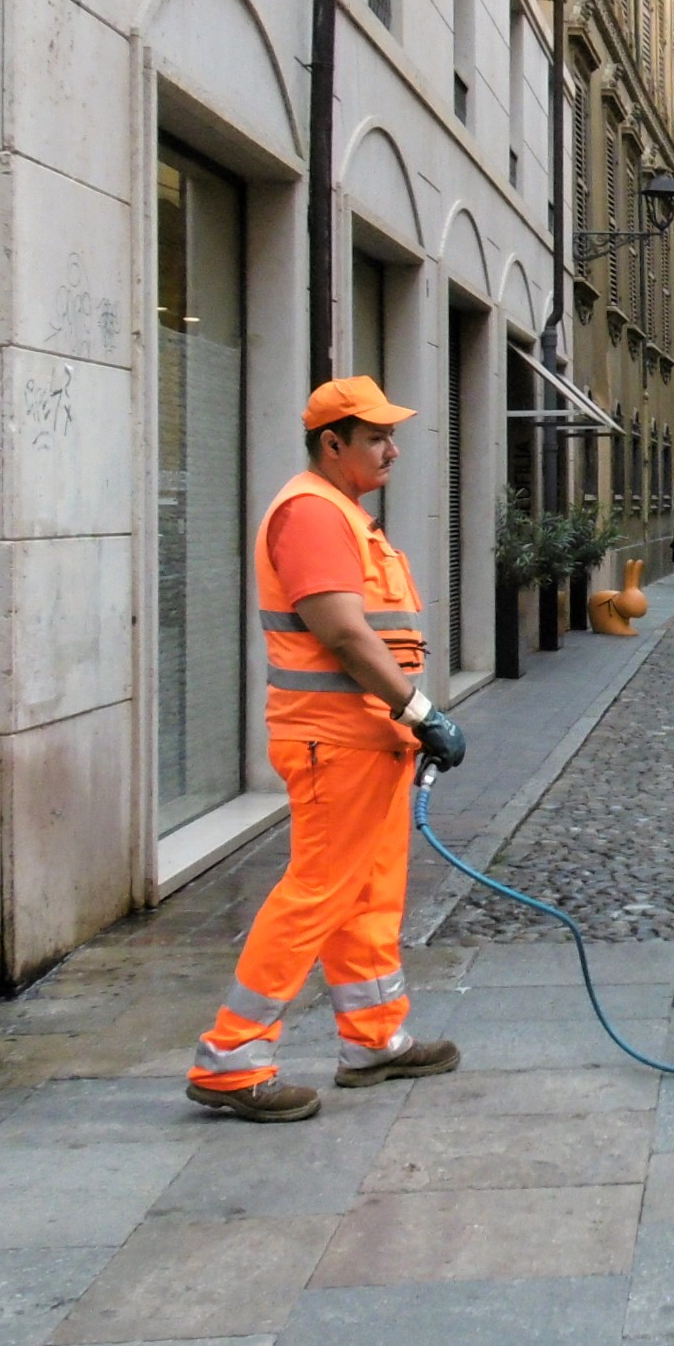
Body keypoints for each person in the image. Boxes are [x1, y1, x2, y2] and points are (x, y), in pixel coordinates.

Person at [187, 377, 468, 1124]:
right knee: (318, 891)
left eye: (390, 435)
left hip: (367, 739)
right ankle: (231, 1058)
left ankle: (374, 1038)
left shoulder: (344, 516)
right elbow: (342, 632)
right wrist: (420, 708)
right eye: (374, 437)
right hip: (334, 739)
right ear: (331, 443)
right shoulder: (312, 514)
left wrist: (405, 721)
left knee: (370, 892)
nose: (391, 449)